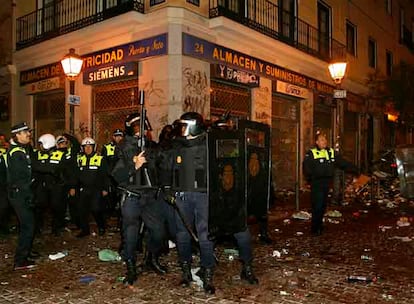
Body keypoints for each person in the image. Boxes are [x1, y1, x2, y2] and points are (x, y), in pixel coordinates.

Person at [112, 112, 167, 286]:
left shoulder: (152, 146)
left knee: (158, 232)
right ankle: (130, 267)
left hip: (150, 196)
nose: (141, 131)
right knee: (130, 234)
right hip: (132, 196)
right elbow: (116, 173)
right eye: (137, 128)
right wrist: (133, 166)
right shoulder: (123, 147)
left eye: (143, 128)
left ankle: (151, 258)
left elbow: (162, 164)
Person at [170, 112, 216, 294]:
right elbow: (169, 168)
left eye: (185, 125)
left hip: (202, 195)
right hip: (182, 195)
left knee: (205, 236)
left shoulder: (208, 144)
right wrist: (169, 189)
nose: (182, 130)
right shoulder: (177, 146)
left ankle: (207, 274)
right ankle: (186, 272)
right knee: (182, 235)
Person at [303, 133, 358, 236]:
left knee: (323, 205)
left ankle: (319, 224)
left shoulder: (331, 152)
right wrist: (310, 180)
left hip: (327, 182)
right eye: (322, 140)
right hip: (317, 183)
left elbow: (342, 163)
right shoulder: (311, 153)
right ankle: (315, 228)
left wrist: (355, 169)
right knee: (317, 205)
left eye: (325, 140)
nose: (324, 142)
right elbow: (307, 168)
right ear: (317, 142)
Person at [6, 122, 37, 270]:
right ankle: (20, 260)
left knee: (28, 224)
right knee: (28, 226)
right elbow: (20, 178)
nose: (28, 134)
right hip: (19, 194)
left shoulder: (20, 149)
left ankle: (26, 253)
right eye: (25, 132)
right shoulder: (16, 152)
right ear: (17, 135)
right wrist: (27, 194)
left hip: (22, 193)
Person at [76, 137, 110, 237]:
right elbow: (76, 174)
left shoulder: (100, 158)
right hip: (83, 189)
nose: (88, 148)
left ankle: (101, 226)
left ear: (94, 147)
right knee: (81, 210)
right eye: (85, 147)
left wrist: (105, 188)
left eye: (90, 146)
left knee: (96, 209)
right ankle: (85, 230)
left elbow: (105, 175)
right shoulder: (79, 159)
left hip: (96, 188)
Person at [101, 129, 124, 219]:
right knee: (111, 198)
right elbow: (104, 163)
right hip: (111, 177)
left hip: (122, 177)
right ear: (113, 137)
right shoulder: (107, 147)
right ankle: (110, 214)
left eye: (120, 136)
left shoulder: (126, 147)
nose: (118, 138)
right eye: (116, 136)